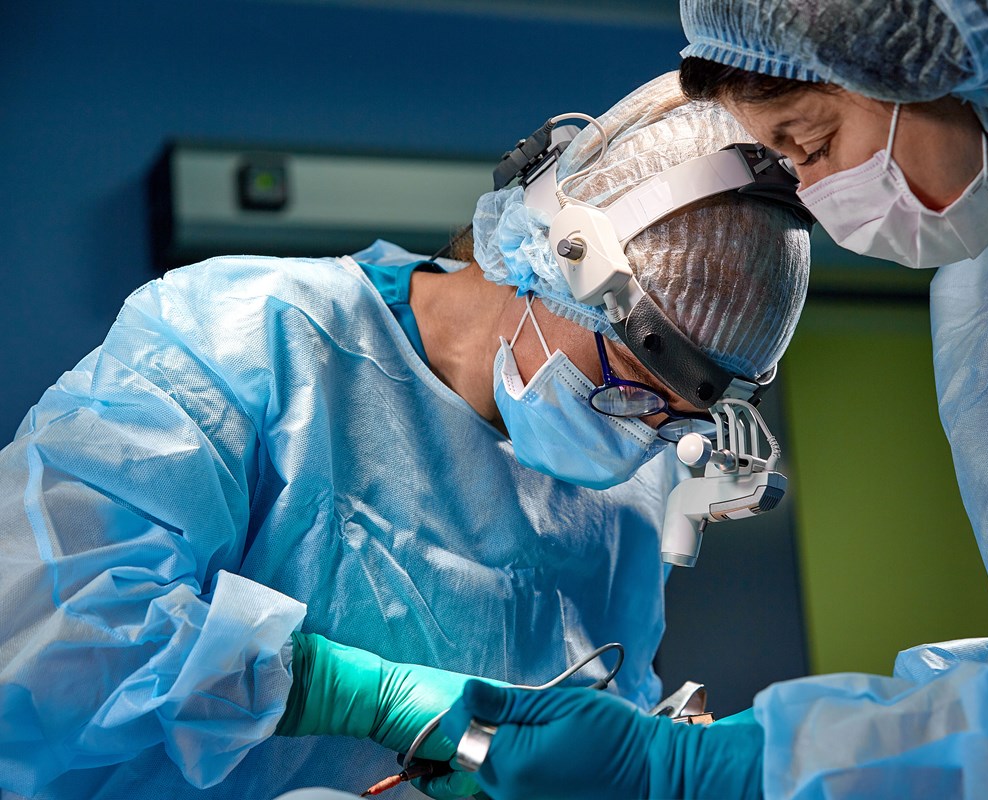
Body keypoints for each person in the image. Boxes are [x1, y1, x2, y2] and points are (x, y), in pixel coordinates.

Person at [438, 2, 988, 798]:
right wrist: (778, 741)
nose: (819, 193)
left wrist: (704, 770)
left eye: (812, 143)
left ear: (933, 57)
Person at [0, 72, 811, 800]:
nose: (651, 436)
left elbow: (601, 709)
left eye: (682, 413)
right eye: (640, 379)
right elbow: (48, 633)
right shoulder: (247, 339)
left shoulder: (631, 489)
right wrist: (339, 690)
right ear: (554, 260)